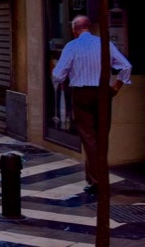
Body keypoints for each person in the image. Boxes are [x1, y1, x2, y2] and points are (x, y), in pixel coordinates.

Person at [51, 14, 132, 195]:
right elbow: (126, 66)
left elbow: (58, 75)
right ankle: (95, 178)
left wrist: (58, 73)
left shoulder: (72, 46)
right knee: (102, 136)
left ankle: (97, 181)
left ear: (74, 30)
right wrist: (116, 87)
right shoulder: (105, 44)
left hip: (82, 94)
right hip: (103, 92)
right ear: (89, 27)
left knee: (89, 137)